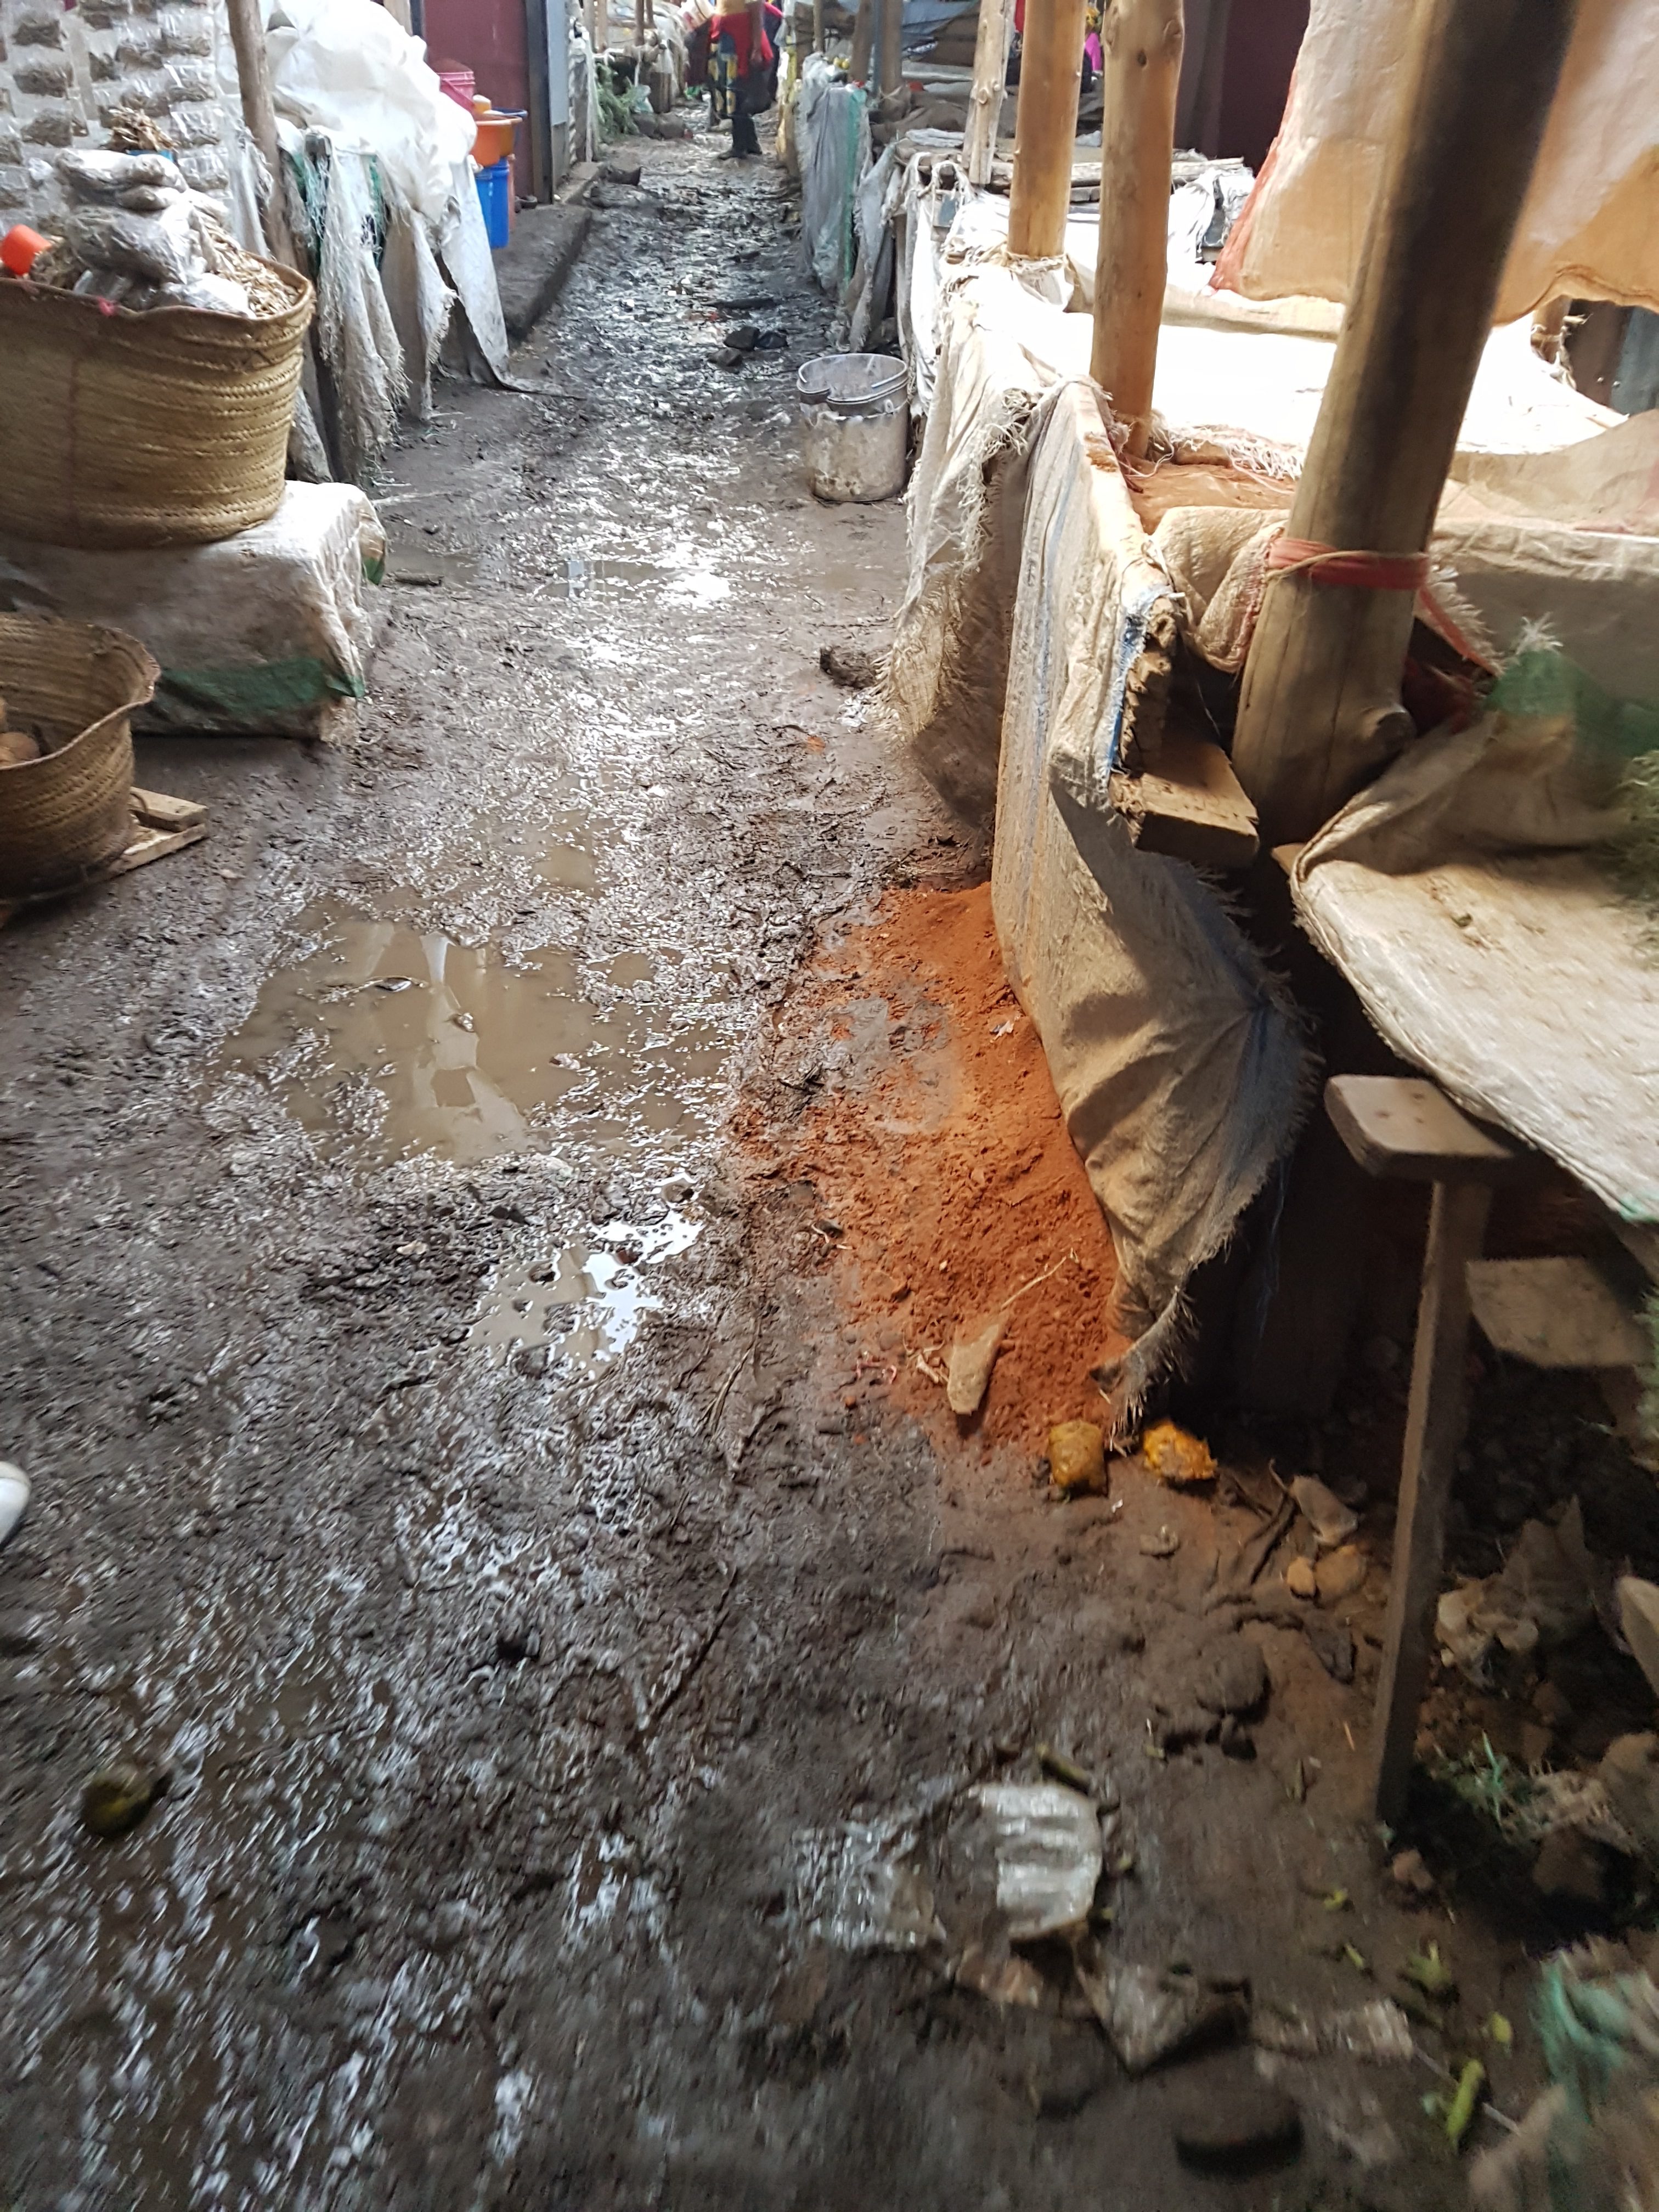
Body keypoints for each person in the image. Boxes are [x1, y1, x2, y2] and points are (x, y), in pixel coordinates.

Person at [712, 0, 773, 158]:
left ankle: (739, 146)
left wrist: (757, 49)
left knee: (738, 93)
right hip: (727, 40)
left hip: (741, 41)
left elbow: (757, 15)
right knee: (733, 91)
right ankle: (751, 142)